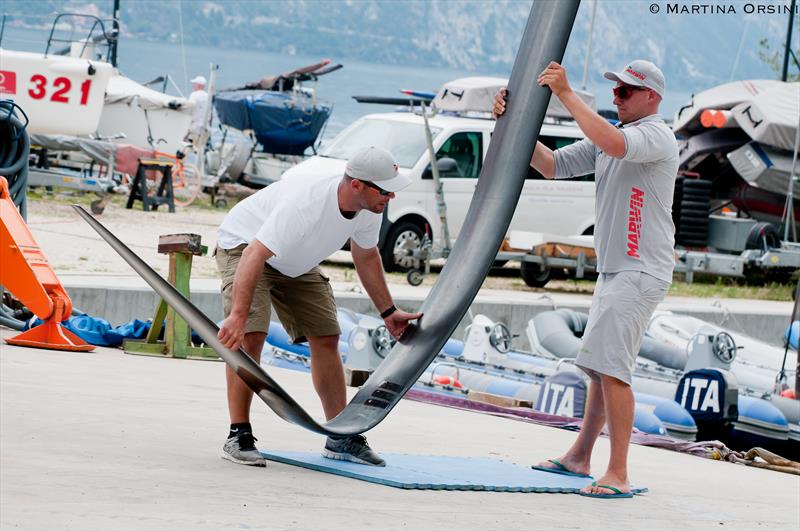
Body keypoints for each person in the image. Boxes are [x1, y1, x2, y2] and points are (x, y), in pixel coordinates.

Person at [493, 60, 678, 498]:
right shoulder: (611, 135)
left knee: (614, 372)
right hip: (616, 270)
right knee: (599, 369)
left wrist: (566, 94)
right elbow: (551, 165)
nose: (617, 97)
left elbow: (614, 143)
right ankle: (580, 456)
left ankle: (618, 473)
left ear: (651, 97)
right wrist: (508, 121)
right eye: (615, 91)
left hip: (640, 270)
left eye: (626, 92)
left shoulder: (654, 134)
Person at [215, 146, 422, 468]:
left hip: (295, 261)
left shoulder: (370, 208)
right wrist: (238, 316)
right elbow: (255, 254)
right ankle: (238, 433)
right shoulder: (306, 202)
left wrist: (388, 312)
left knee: (326, 335)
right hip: (245, 246)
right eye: (385, 190)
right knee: (250, 335)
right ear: (357, 185)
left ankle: (340, 435)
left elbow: (366, 255)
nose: (391, 198)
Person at [187, 75, 209, 139]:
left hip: (195, 127)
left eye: (194, 84)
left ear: (198, 85)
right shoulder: (208, 96)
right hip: (205, 127)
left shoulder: (194, 95)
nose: (193, 85)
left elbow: (190, 108)